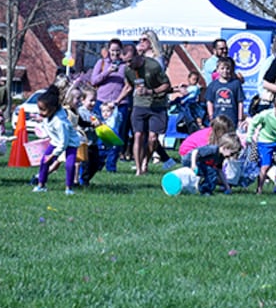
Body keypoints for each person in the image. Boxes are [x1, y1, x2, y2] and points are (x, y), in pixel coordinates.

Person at [127, 31, 172, 175]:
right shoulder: (135, 59)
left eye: (144, 40)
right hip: (139, 102)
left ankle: (147, 159)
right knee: (139, 135)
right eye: (139, 40)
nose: (141, 42)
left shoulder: (157, 60)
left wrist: (150, 91)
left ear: (151, 42)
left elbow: (162, 82)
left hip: (157, 101)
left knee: (153, 138)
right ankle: (140, 166)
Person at [32, 85, 81, 193]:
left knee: (69, 164)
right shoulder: (48, 115)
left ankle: (69, 188)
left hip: (70, 143)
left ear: (53, 109)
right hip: (56, 142)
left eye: (43, 110)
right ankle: (41, 185)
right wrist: (40, 120)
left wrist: (53, 155)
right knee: (44, 161)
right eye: (39, 109)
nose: (40, 112)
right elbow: (48, 127)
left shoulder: (60, 122)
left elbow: (64, 142)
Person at [89, 40, 129, 171]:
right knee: (101, 133)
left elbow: (129, 85)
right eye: (112, 50)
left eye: (117, 50)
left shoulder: (126, 66)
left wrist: (117, 101)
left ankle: (111, 165)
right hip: (101, 102)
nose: (115, 53)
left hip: (119, 104)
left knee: (115, 136)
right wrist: (108, 72)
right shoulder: (101, 63)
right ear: (108, 50)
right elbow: (93, 81)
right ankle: (98, 163)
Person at [205, 56, 244, 127]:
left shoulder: (236, 84)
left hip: (232, 119)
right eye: (222, 68)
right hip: (217, 119)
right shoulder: (213, 85)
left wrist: (240, 119)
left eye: (227, 68)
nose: (225, 71)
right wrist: (211, 116)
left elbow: (240, 102)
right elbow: (209, 101)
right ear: (217, 70)